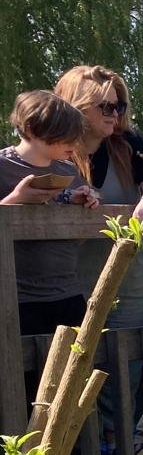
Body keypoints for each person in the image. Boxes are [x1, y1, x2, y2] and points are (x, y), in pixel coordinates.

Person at [54, 65, 143, 329]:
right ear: (77, 106)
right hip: (67, 287)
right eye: (105, 107)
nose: (114, 114)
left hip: (127, 284)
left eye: (118, 106)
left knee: (131, 364)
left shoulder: (129, 143)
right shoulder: (51, 149)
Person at [0, 91, 101, 337]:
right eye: (64, 135)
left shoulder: (68, 170)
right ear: (33, 129)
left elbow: (78, 236)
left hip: (67, 291)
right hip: (16, 298)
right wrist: (15, 200)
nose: (73, 143)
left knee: (75, 371)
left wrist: (84, 205)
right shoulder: (2, 166)